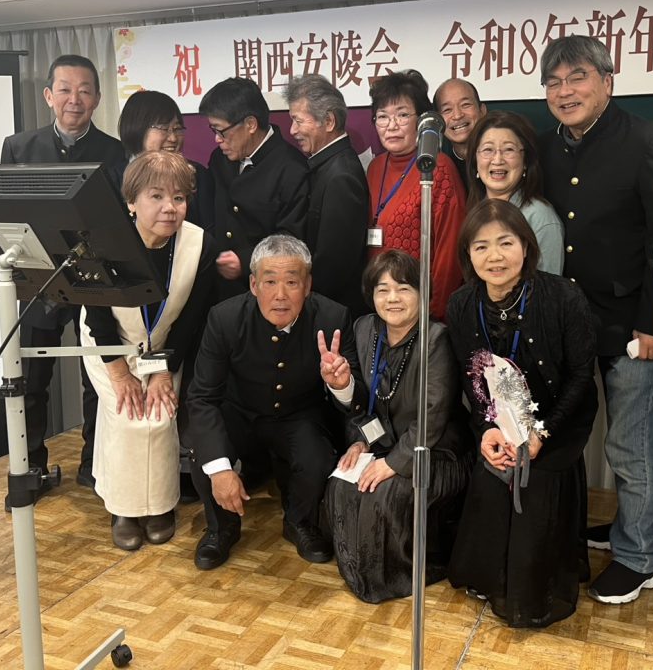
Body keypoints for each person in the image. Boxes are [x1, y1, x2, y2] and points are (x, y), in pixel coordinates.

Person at [538, 35, 653, 603]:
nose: (564, 91)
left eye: (577, 78)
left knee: (635, 443)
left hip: (632, 323)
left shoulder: (652, 143)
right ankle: (641, 528)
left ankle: (639, 557)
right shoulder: (547, 147)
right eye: (553, 82)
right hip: (570, 321)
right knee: (606, 438)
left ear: (607, 81)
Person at [446, 199, 597, 628]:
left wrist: (540, 434)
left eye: (505, 243)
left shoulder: (563, 297)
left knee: (534, 496)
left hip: (556, 428)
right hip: (501, 425)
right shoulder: (461, 305)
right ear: (468, 255)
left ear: (526, 247)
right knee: (491, 477)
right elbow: (472, 380)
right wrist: (487, 429)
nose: (494, 256)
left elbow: (581, 377)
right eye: (481, 247)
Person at [183, 235, 363, 570]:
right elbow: (203, 397)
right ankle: (221, 528)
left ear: (307, 285)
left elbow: (357, 400)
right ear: (253, 285)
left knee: (317, 457)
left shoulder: (333, 317)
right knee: (204, 450)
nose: (280, 294)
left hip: (298, 414)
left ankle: (299, 522)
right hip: (239, 413)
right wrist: (220, 469)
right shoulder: (224, 318)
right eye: (270, 282)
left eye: (292, 282)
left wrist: (342, 384)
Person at [0, 53, 126, 499]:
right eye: (66, 90)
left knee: (97, 376)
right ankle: (31, 466)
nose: (75, 99)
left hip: (95, 280)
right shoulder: (18, 148)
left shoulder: (114, 151)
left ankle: (94, 465)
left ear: (97, 98)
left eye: (85, 90)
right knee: (32, 379)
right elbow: (7, 213)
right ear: (49, 96)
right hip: (39, 280)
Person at [80, 151, 218, 550]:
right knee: (127, 414)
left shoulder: (199, 245)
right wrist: (119, 371)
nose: (169, 207)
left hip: (165, 345)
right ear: (131, 201)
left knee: (158, 415)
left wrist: (162, 371)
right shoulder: (102, 242)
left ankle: (159, 505)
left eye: (179, 197)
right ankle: (123, 508)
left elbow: (191, 318)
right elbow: (97, 315)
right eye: (156, 196)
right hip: (108, 342)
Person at [323, 250, 470, 603]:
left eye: (404, 288)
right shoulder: (364, 329)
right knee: (341, 484)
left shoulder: (436, 338)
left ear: (422, 293)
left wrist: (392, 463)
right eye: (383, 289)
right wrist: (359, 439)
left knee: (384, 493)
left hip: (433, 451)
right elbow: (362, 400)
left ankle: (397, 575)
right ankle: (361, 571)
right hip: (383, 443)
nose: (393, 298)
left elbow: (433, 415)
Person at [365, 70, 466, 321]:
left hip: (422, 310)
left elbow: (450, 251)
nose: (392, 126)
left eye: (402, 115)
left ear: (421, 120)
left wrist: (431, 313)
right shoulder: (375, 167)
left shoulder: (437, 167)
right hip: (382, 305)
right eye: (382, 117)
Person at [198, 77, 310, 300]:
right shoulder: (220, 158)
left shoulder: (291, 168)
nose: (217, 139)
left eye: (221, 131)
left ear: (250, 124)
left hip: (265, 291)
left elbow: (292, 237)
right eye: (213, 130)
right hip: (218, 289)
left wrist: (245, 260)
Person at [284, 74, 369, 318]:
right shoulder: (327, 166)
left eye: (298, 121)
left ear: (329, 121)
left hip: (332, 313)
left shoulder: (341, 176)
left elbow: (334, 265)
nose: (293, 130)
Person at [465, 110, 563, 275]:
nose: (497, 160)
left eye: (508, 149)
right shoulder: (475, 210)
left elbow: (548, 288)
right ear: (475, 160)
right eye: (488, 150)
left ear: (525, 161)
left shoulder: (540, 217)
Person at [117, 89, 212, 229]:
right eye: (163, 128)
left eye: (177, 128)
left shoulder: (198, 175)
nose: (173, 138)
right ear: (136, 129)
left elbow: (209, 229)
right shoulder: (113, 179)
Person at [433, 77, 487, 181]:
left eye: (465, 105)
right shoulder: (440, 170)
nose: (457, 115)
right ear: (438, 121)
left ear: (482, 111)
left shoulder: (499, 160)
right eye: (447, 110)